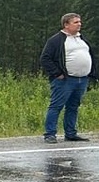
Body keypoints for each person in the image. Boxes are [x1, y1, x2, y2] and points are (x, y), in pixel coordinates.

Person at [39, 13, 95, 143]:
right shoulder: (56, 40)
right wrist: (57, 73)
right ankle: (50, 134)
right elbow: (45, 58)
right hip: (65, 80)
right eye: (76, 22)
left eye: (79, 22)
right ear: (66, 24)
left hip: (82, 79)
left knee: (73, 106)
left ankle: (70, 133)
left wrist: (91, 72)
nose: (79, 24)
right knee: (56, 106)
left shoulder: (82, 39)